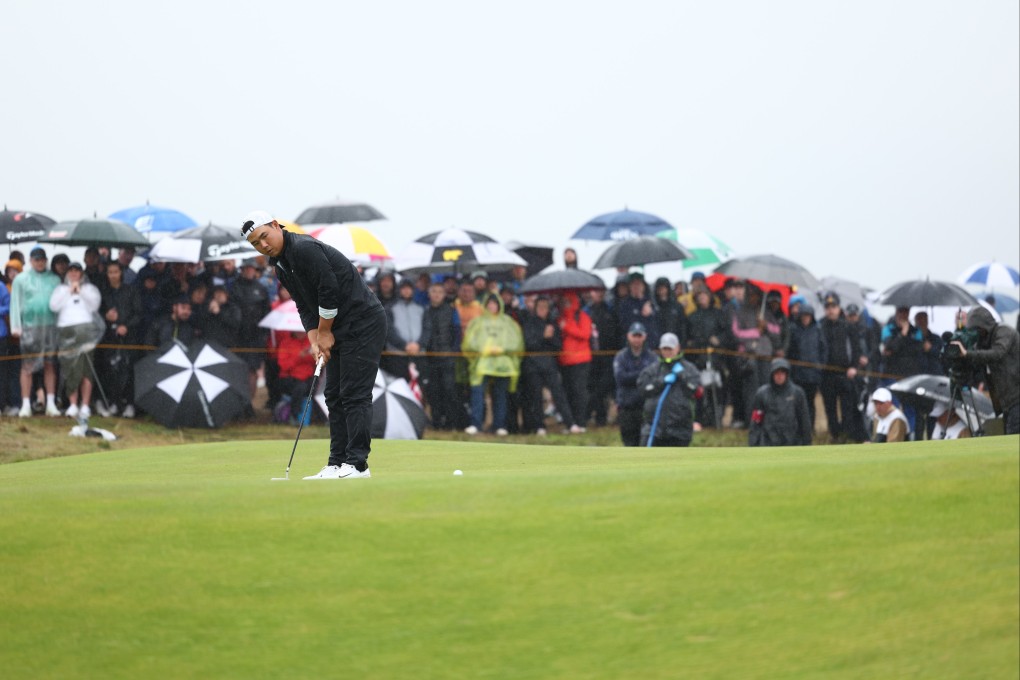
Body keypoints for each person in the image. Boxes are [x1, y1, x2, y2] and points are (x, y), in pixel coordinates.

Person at [244, 209, 387, 479]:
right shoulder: (280, 265)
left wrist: (324, 332)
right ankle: (337, 462)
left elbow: (328, 290)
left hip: (363, 321)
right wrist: (315, 339)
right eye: (255, 243)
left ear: (276, 225)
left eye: (264, 236)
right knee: (333, 394)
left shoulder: (304, 249)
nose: (263, 245)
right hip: (338, 325)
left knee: (354, 393)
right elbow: (304, 303)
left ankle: (357, 465)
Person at [460, 292, 523, 436]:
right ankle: (476, 423)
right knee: (478, 394)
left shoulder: (508, 322)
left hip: (503, 365)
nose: (492, 306)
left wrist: (502, 349)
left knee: (500, 395)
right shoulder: (478, 322)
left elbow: (516, 342)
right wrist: (484, 349)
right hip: (482, 364)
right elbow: (469, 342)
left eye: (494, 304)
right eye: (489, 304)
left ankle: (499, 425)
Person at [9, 247, 62, 417]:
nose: (39, 262)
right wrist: (16, 327)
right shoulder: (21, 280)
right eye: (36, 259)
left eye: (42, 259)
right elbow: (15, 304)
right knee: (28, 366)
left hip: (50, 327)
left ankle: (51, 402)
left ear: (46, 261)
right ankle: (25, 404)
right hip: (30, 327)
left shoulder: (54, 280)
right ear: (31, 261)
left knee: (50, 364)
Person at [520, 295, 582, 435]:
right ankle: (539, 426)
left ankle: (570, 423)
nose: (543, 310)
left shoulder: (552, 324)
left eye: (545, 307)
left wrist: (550, 337)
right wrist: (543, 336)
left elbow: (558, 345)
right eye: (540, 307)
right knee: (536, 396)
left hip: (549, 364)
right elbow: (529, 344)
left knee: (559, 394)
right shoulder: (529, 323)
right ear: (535, 308)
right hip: (532, 365)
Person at [953, 305, 1020, 435]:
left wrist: (967, 354)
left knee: (1013, 438)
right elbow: (978, 361)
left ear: (984, 327)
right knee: (1010, 437)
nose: (975, 333)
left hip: (1016, 396)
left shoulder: (1004, 332)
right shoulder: (984, 341)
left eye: (976, 329)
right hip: (1007, 402)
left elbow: (997, 353)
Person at [48, 262, 102, 419]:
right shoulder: (60, 289)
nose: (73, 273)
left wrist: (80, 292)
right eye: (70, 271)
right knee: (70, 369)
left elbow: (94, 305)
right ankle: (72, 404)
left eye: (76, 271)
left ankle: (84, 405)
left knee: (86, 369)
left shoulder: (90, 289)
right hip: (66, 331)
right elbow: (53, 306)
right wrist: (69, 292)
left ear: (81, 273)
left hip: (86, 331)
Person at [637, 332, 701, 447]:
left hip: (680, 431)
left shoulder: (689, 369)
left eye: (670, 349)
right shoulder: (652, 370)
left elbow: (696, 390)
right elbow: (643, 389)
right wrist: (661, 381)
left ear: (678, 348)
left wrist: (682, 375)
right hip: (653, 430)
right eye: (665, 349)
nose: (667, 352)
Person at [96, 260, 142, 418]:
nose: (113, 275)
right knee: (111, 370)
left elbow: (138, 314)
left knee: (128, 371)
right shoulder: (104, 293)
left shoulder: (131, 290)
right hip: (110, 337)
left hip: (129, 337)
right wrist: (106, 317)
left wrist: (126, 326)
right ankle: (114, 402)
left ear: (121, 273)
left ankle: (129, 403)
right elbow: (98, 314)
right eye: (110, 272)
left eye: (116, 272)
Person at [419, 282, 461, 430]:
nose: (436, 294)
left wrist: (453, 351)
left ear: (444, 295)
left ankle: (450, 422)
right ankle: (437, 421)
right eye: (434, 291)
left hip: (447, 357)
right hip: (430, 358)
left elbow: (457, 333)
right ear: (429, 294)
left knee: (449, 390)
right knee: (433, 391)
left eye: (439, 292)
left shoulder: (451, 311)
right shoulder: (425, 311)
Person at [232, 258, 272, 416]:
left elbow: (266, 313)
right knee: (239, 371)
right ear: (242, 269)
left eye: (252, 269)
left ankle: (249, 403)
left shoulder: (261, 289)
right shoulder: (235, 287)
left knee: (253, 372)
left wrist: (263, 334)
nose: (249, 271)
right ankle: (239, 404)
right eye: (246, 268)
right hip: (239, 337)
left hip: (256, 337)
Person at [748, 358, 813, 447]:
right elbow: (756, 422)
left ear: (787, 374)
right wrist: (753, 443)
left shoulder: (798, 393)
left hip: (792, 443)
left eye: (782, 372)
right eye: (776, 373)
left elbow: (804, 421)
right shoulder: (762, 394)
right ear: (772, 374)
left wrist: (807, 443)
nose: (779, 376)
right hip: (768, 443)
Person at [613, 322, 658, 446]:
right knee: (629, 443)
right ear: (629, 336)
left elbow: (654, 379)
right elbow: (621, 378)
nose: (637, 339)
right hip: (626, 407)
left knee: (646, 443)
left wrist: (633, 375)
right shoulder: (621, 357)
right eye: (634, 335)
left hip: (646, 408)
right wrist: (642, 375)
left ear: (644, 336)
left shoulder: (652, 357)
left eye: (639, 336)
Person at [787, 302, 827, 430]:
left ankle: (810, 428)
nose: (805, 318)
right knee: (797, 403)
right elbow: (789, 350)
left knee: (810, 403)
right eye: (803, 316)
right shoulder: (793, 329)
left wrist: (820, 366)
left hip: (813, 375)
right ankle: (798, 428)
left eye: (808, 316)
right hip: (797, 375)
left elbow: (823, 349)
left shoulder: (817, 330)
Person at [556, 291, 593, 430]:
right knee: (568, 392)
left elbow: (585, 334)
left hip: (581, 360)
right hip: (565, 361)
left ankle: (581, 421)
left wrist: (567, 327)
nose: (566, 304)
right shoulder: (560, 318)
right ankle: (572, 423)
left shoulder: (582, 316)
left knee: (580, 392)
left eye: (569, 301)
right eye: (563, 301)